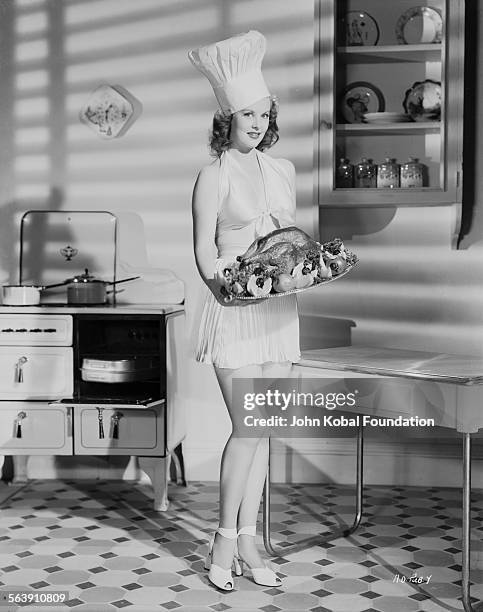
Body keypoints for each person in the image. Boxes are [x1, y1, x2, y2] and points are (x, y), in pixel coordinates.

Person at [188, 30, 300, 591]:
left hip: (278, 309)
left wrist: (308, 264)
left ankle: (251, 539)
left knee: (267, 425)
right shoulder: (214, 175)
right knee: (247, 427)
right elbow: (205, 250)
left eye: (264, 113)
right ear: (225, 119)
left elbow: (290, 242)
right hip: (234, 306)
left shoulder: (283, 172)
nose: (256, 123)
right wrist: (224, 288)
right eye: (246, 115)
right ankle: (224, 539)